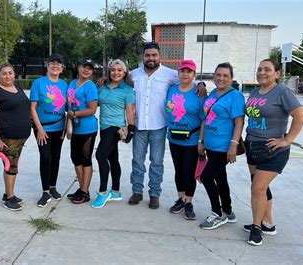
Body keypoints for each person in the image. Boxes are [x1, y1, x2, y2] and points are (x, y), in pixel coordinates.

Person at [129, 42, 206, 209]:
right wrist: (103, 79)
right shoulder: (134, 75)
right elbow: (118, 79)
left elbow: (188, 78)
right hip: (139, 126)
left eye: (154, 55)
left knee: (156, 162)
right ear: (143, 56)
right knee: (137, 161)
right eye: (148, 55)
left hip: (159, 126)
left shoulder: (170, 74)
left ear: (159, 56)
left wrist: (201, 84)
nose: (151, 58)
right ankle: (137, 191)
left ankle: (155, 194)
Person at [243, 59, 303, 246]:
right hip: (253, 146)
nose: (262, 72)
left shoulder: (282, 92)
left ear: (277, 74)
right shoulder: (255, 92)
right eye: (260, 69)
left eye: (268, 70)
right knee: (261, 188)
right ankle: (268, 223)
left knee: (257, 188)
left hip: (273, 150)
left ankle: (257, 228)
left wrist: (287, 139)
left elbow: (300, 115)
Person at [197, 62, 245, 230]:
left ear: (231, 78)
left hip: (223, 146)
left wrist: (233, 145)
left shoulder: (235, 96)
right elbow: (205, 119)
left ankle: (217, 213)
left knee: (207, 177)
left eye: (225, 75)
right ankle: (228, 211)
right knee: (220, 178)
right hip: (210, 144)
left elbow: (239, 122)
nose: (221, 78)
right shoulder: (212, 95)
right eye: (218, 75)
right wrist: (201, 141)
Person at [0, 63, 31, 211]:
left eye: (10, 73)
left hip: (20, 136)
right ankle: (9, 198)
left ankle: (8, 193)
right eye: (4, 73)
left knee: (14, 165)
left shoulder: (16, 87)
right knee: (10, 166)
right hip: (7, 136)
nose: (8, 76)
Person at [92, 59, 135, 208]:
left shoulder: (128, 90)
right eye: (113, 70)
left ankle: (103, 193)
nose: (116, 72)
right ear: (109, 72)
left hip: (116, 128)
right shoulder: (103, 87)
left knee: (100, 155)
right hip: (103, 127)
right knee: (113, 158)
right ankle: (116, 192)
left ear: (124, 73)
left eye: (119, 70)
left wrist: (131, 128)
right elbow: (94, 102)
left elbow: (130, 111)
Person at [165, 60, 204, 220]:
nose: (185, 74)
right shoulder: (172, 88)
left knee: (189, 172)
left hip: (191, 139)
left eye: (189, 72)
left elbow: (204, 119)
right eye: (182, 71)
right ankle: (181, 198)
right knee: (178, 170)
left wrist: (201, 141)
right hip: (174, 138)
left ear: (194, 75)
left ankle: (189, 201)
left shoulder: (199, 93)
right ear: (178, 73)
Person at [30, 53, 68, 207]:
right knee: (46, 158)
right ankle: (45, 192)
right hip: (43, 128)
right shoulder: (38, 83)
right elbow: (32, 108)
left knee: (56, 157)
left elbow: (69, 107)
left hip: (59, 127)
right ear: (48, 65)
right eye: (53, 63)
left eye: (59, 64)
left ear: (62, 68)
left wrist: (67, 127)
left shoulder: (65, 84)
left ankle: (53, 187)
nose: (55, 66)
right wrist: (39, 129)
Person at [65, 58, 98, 204]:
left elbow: (92, 109)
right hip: (75, 127)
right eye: (84, 67)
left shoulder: (90, 86)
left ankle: (85, 192)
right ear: (79, 68)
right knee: (75, 158)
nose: (86, 70)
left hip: (87, 128)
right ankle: (81, 188)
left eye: (89, 68)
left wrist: (75, 114)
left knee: (85, 159)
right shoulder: (72, 83)